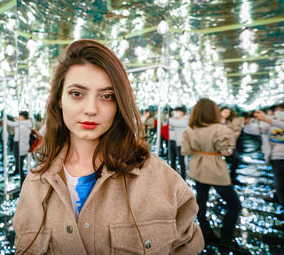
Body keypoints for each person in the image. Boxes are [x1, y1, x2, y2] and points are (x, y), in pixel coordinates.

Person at [13, 40, 203, 254]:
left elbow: (186, 245)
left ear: (119, 103)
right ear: (59, 99)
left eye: (107, 96)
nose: (91, 109)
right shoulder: (35, 185)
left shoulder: (161, 181)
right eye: (77, 93)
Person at [181, 98, 247, 253]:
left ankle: (205, 231)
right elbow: (226, 151)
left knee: (201, 201)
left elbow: (186, 151)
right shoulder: (221, 129)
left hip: (197, 167)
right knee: (234, 204)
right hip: (215, 168)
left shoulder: (189, 129)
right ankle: (226, 238)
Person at [244, 101, 284, 230]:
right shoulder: (270, 122)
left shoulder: (273, 122)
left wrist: (269, 120)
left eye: (283, 110)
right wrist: (247, 121)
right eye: (277, 110)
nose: (279, 113)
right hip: (276, 160)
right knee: (280, 190)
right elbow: (253, 130)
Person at [220, 106, 244, 185]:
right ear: (220, 112)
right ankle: (226, 178)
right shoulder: (216, 122)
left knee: (236, 160)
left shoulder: (230, 121)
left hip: (230, 145)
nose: (227, 114)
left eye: (228, 113)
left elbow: (236, 131)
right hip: (219, 146)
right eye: (225, 112)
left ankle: (231, 177)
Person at [7, 111, 32, 184]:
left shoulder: (23, 124)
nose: (19, 117)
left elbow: (12, 124)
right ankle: (17, 171)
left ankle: (22, 178)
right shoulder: (20, 123)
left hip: (21, 144)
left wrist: (8, 120)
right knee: (17, 158)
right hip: (17, 143)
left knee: (20, 161)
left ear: (23, 117)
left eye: (20, 116)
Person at [169, 107, 189, 180]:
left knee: (181, 161)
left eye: (177, 111)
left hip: (180, 143)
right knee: (172, 159)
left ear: (182, 112)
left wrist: (171, 119)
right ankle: (172, 177)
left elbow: (173, 122)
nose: (175, 113)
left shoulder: (185, 120)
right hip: (172, 141)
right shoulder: (173, 119)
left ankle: (183, 178)